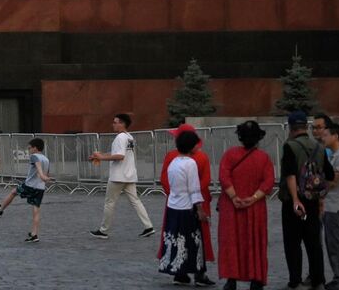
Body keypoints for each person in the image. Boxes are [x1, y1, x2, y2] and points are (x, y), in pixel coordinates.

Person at [216, 121, 275, 290]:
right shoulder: (264, 158)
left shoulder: (229, 155)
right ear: (258, 138)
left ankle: (231, 278)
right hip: (255, 208)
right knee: (255, 241)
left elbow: (223, 175)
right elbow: (269, 181)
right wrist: (254, 197)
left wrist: (234, 197)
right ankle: (256, 278)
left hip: (231, 206)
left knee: (231, 242)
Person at [161, 123, 216, 286]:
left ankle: (179, 271)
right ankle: (199, 273)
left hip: (174, 204)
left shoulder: (172, 158)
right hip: (192, 203)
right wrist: (200, 207)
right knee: (197, 239)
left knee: (178, 238)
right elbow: (202, 183)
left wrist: (173, 193)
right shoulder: (199, 158)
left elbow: (165, 180)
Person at [280, 110, 327, 289]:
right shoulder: (319, 147)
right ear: (306, 127)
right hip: (313, 199)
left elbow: (290, 174)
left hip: (294, 201)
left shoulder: (290, 146)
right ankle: (318, 280)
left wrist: (294, 199)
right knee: (314, 242)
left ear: (291, 128)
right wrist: (321, 196)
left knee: (293, 243)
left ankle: (295, 280)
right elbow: (327, 174)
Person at [89, 112, 155, 239]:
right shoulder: (129, 137)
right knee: (135, 201)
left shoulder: (120, 137)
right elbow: (118, 153)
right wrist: (100, 155)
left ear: (122, 124)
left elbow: (119, 156)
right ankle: (148, 226)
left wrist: (101, 157)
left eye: (115, 122)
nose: (112, 124)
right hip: (129, 175)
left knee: (110, 202)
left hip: (118, 176)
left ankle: (103, 230)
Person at [0, 137, 52, 242]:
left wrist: (42, 176)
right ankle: (34, 234)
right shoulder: (46, 159)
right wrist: (45, 178)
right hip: (40, 188)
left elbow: (39, 168)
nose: (29, 150)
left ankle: (0, 210)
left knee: (13, 192)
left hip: (29, 185)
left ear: (35, 148)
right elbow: (47, 174)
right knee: (36, 210)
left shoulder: (34, 156)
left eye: (30, 148)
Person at [319, 120, 339, 290]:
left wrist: (315, 183)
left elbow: (333, 182)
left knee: (335, 245)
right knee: (331, 244)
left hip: (336, 206)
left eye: (325, 135)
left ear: (335, 136)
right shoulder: (333, 155)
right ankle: (338, 277)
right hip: (331, 205)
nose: (322, 138)